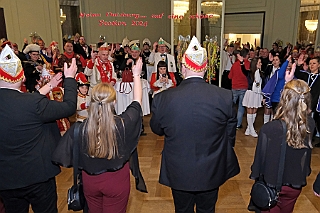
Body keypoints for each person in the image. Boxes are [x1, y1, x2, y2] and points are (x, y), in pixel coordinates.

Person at [150, 36, 240, 213]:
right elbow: (230, 133)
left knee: (182, 210)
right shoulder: (224, 96)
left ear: (183, 68)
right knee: (207, 209)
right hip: (212, 168)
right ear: (205, 68)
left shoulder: (163, 98)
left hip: (179, 168)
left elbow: (157, 129)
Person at [52, 58, 147, 213]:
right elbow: (137, 101)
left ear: (92, 101)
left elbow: (62, 156)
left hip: (90, 182)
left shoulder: (78, 129)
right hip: (116, 182)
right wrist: (136, 74)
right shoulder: (123, 124)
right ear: (114, 102)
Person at [0, 45, 78, 213]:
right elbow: (70, 107)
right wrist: (70, 78)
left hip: (6, 179)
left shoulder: (31, 102)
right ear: (22, 78)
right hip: (38, 176)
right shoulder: (33, 104)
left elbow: (19, 106)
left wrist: (48, 86)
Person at [250, 79, 314, 213]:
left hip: (272, 184)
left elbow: (259, 163)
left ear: (284, 99)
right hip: (295, 184)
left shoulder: (269, 129)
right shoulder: (310, 125)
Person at [228, 48, 250, 129]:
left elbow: (229, 76)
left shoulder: (235, 65)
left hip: (234, 87)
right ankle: (238, 124)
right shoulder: (247, 63)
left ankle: (230, 122)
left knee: (232, 105)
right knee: (241, 106)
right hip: (243, 87)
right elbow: (248, 74)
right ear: (246, 55)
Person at [241, 57, 263, 137]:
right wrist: (242, 62)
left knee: (255, 111)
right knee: (250, 110)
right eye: (259, 62)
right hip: (251, 93)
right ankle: (251, 129)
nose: (261, 64)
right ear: (255, 64)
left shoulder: (260, 73)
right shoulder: (250, 73)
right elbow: (243, 70)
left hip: (258, 93)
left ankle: (248, 129)